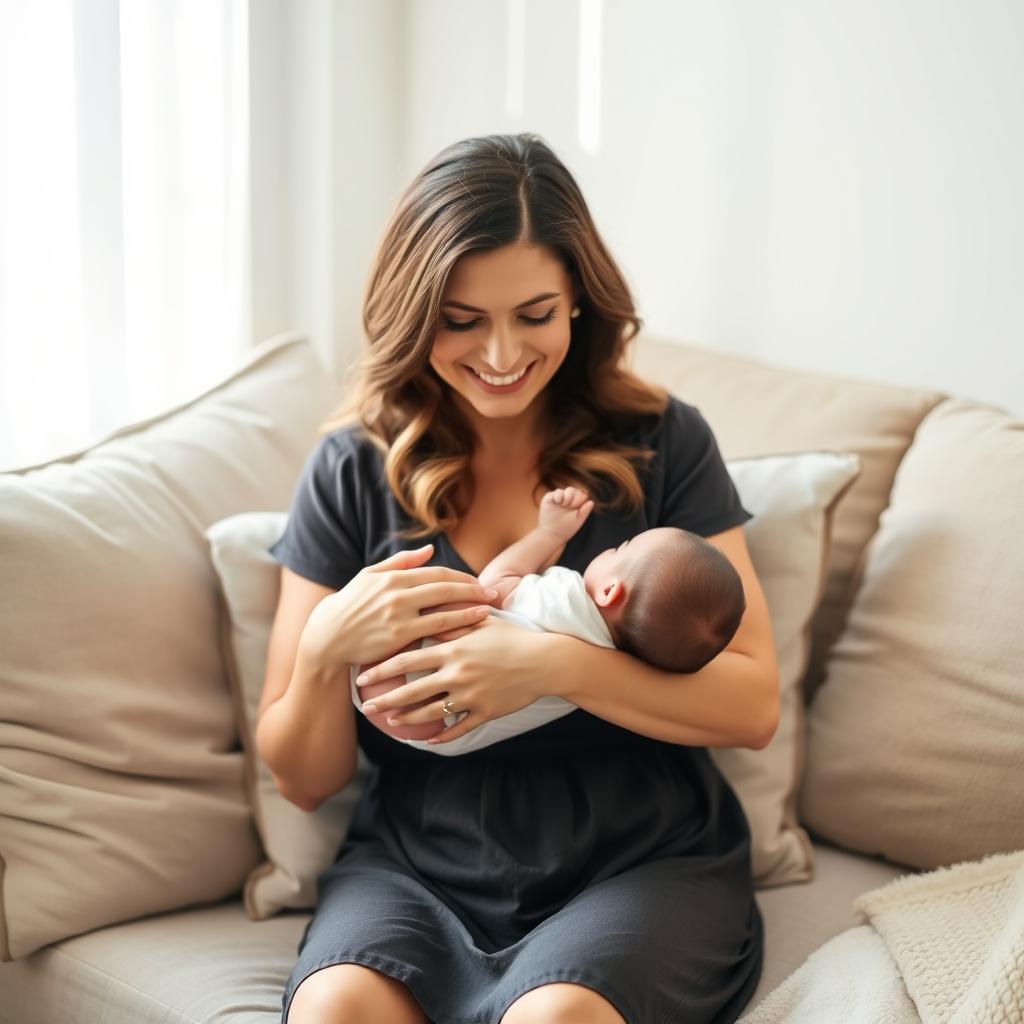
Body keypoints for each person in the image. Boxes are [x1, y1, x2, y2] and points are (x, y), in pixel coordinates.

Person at [257, 132, 779, 1024]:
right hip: (422, 857)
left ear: (578, 299)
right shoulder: (351, 469)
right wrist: (322, 651)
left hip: (637, 852)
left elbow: (752, 705)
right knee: (335, 1009)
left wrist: (550, 666)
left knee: (555, 1018)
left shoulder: (663, 442)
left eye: (534, 314)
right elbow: (304, 782)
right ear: (414, 313)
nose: (500, 354)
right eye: (462, 320)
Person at [354, 484, 749, 754]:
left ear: (610, 592)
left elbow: (494, 584)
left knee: (459, 594)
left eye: (621, 549)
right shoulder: (623, 666)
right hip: (438, 729)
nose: (611, 548)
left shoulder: (568, 597)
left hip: (404, 680)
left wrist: (548, 535)